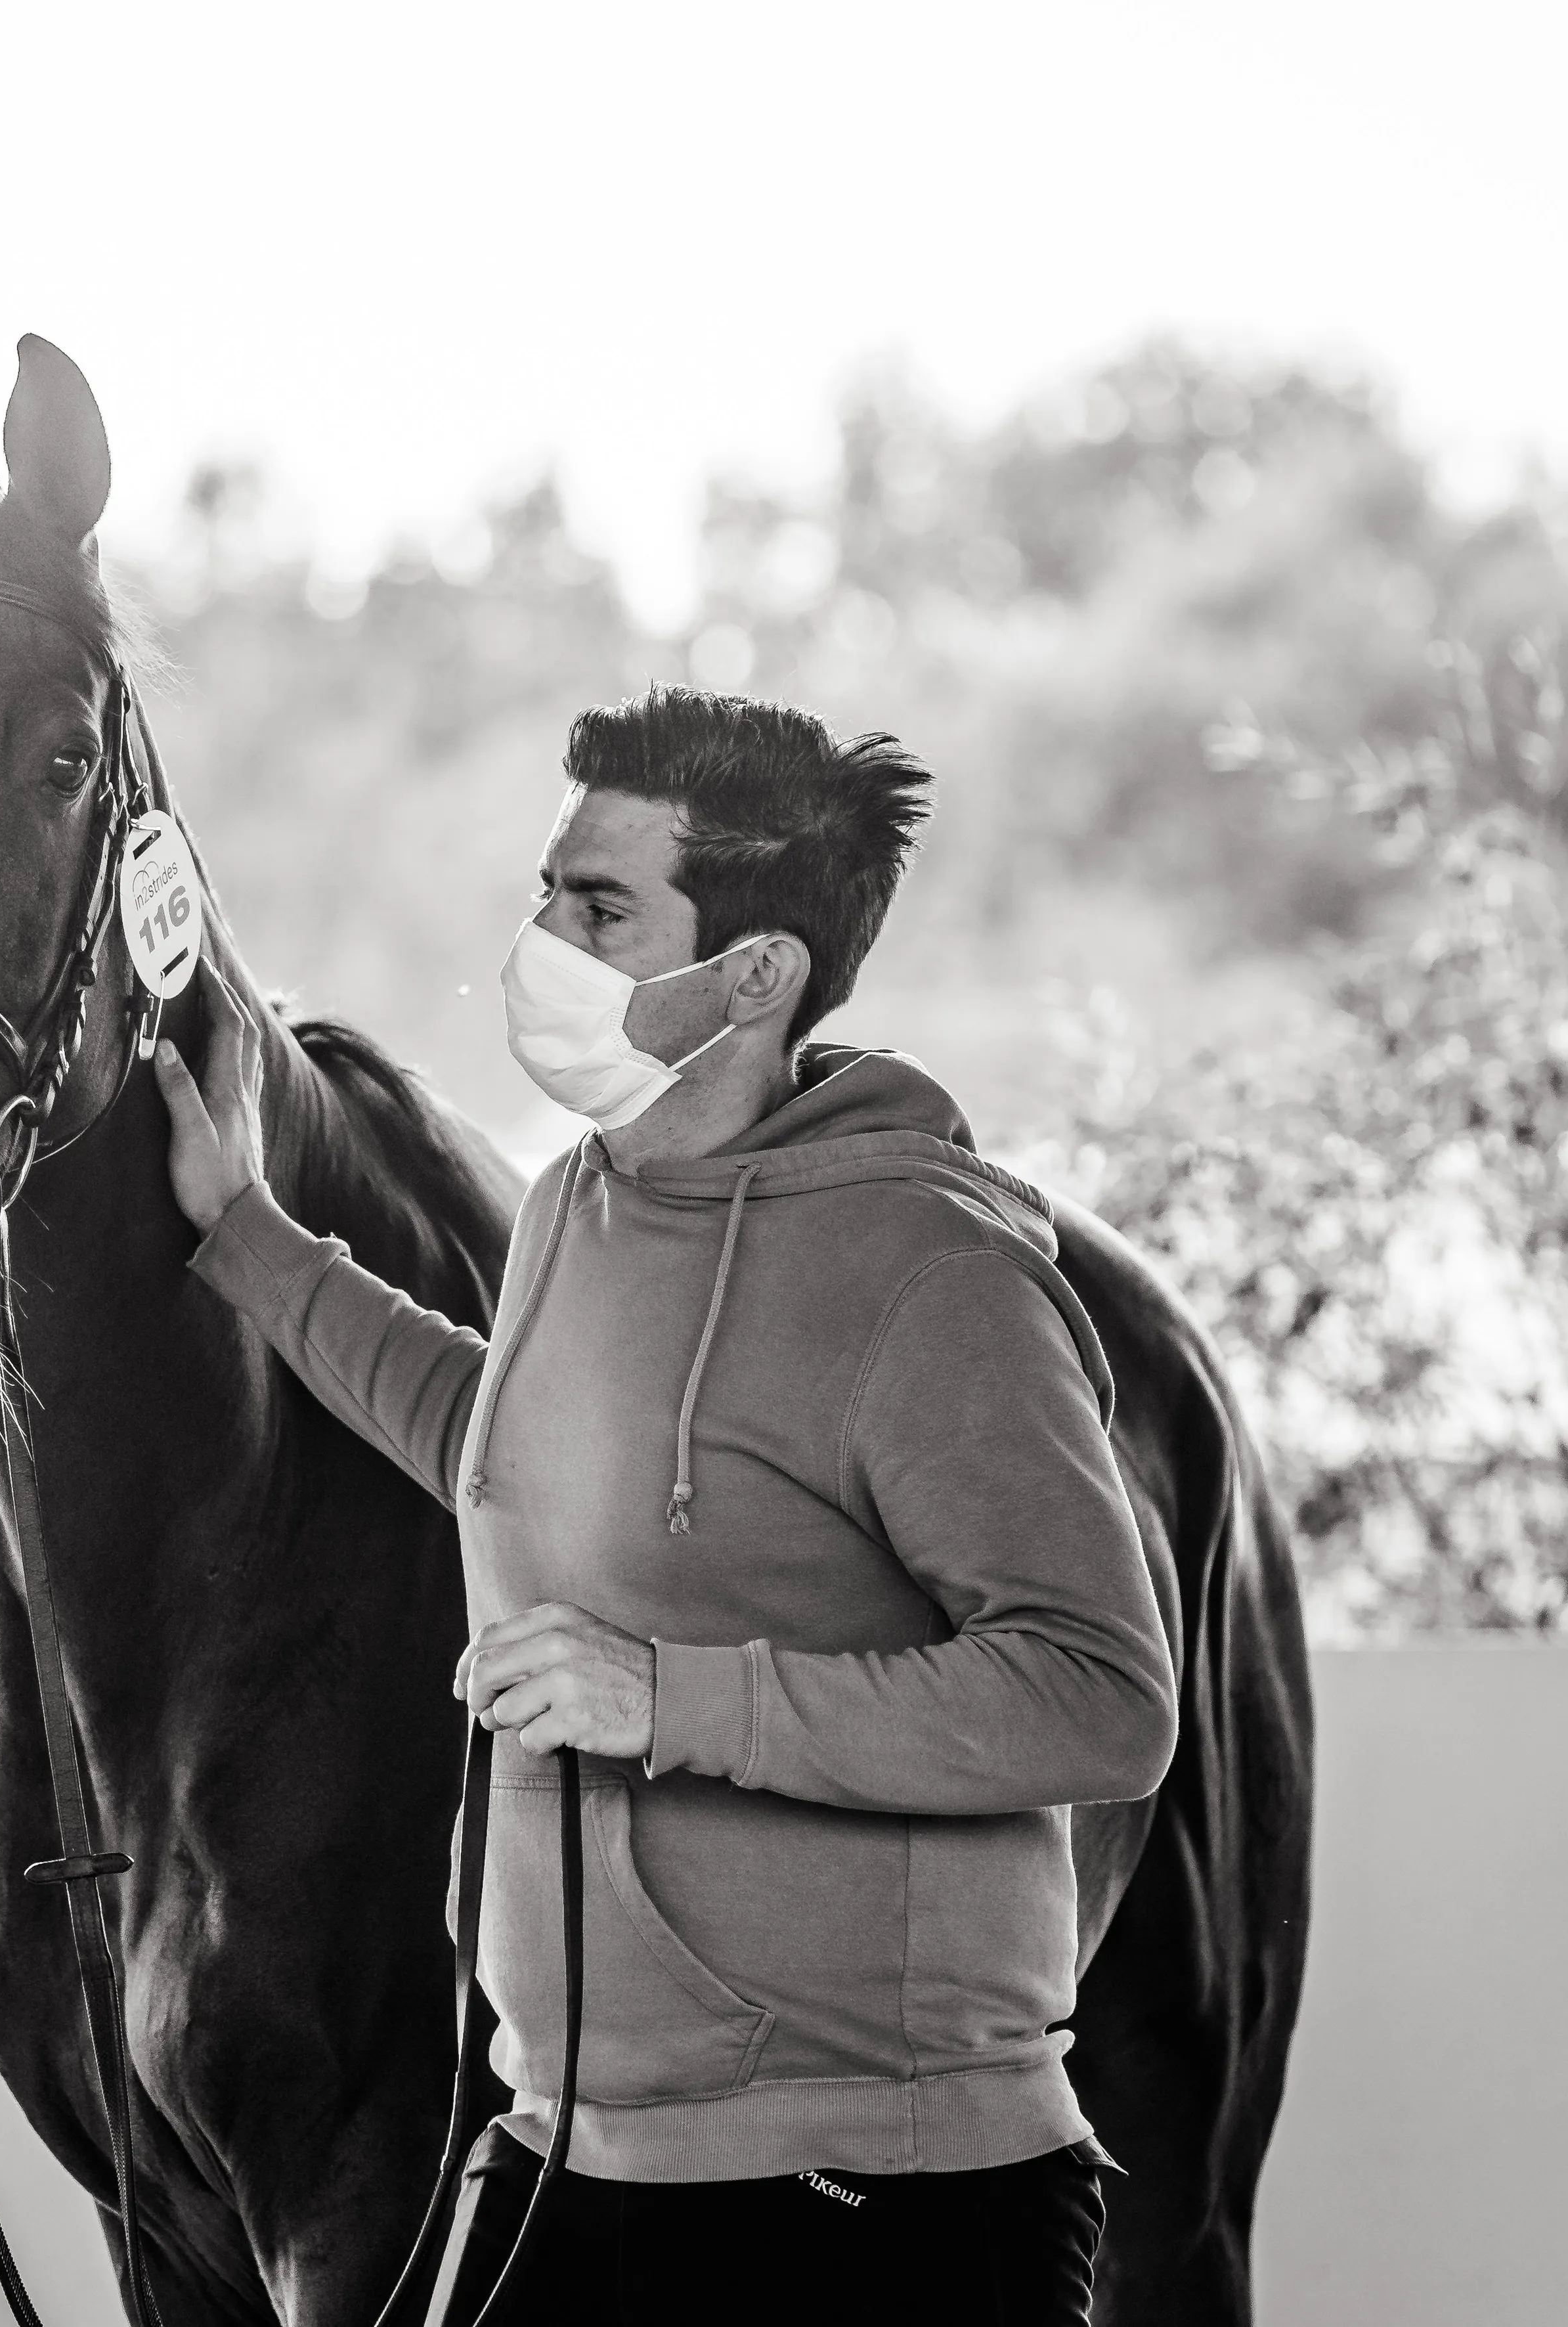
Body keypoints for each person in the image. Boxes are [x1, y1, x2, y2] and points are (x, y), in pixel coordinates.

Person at [150, 688, 1175, 2325]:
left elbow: (1100, 1698)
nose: (539, 943)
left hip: (882, 2196)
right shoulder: (586, 1196)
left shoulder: (931, 1275)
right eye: (546, 893)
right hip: (574, 2150)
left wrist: (666, 1698)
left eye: (600, 908)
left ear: (753, 974)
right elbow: (500, 1438)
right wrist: (249, 1240)